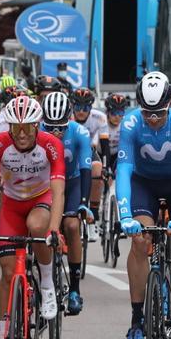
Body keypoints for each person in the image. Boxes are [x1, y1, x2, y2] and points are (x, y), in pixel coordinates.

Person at [116, 71, 171, 339]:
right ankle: (137, 318)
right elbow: (124, 170)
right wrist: (125, 216)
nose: (152, 119)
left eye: (159, 113)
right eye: (147, 113)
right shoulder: (130, 123)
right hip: (144, 184)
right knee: (140, 241)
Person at [0, 95, 64, 339]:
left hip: (41, 201)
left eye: (29, 127)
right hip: (11, 208)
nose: (23, 134)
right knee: (6, 274)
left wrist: (54, 229)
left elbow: (59, 190)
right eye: (17, 128)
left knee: (38, 226)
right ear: (9, 128)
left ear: (38, 125)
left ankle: (48, 283)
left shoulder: (50, 145)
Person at [40, 91, 91, 315]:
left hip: (72, 183)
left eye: (61, 127)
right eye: (51, 127)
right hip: (44, 186)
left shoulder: (80, 132)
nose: (56, 132)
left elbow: (86, 169)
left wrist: (84, 203)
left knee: (71, 226)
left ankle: (75, 290)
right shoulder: (36, 131)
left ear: (69, 119)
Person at [70, 87, 108, 243]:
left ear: (91, 107)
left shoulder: (99, 118)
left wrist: (107, 167)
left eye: (85, 108)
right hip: (70, 149)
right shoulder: (67, 117)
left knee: (97, 168)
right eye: (77, 107)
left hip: (88, 149)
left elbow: (104, 146)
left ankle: (93, 217)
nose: (81, 111)